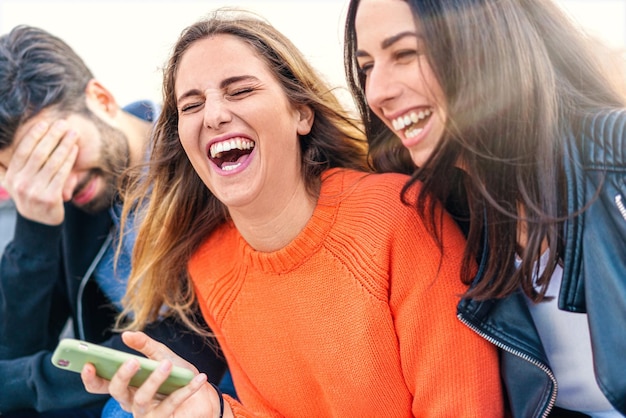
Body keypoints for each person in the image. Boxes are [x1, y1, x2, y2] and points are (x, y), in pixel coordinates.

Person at [80, 10, 504, 418]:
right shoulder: (209, 265)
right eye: (191, 106)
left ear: (301, 113)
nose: (213, 115)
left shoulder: (399, 216)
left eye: (240, 90)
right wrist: (214, 412)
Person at [343, 0, 626, 416]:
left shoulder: (617, 160)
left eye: (405, 53)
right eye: (367, 66)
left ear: (487, 43)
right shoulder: (446, 219)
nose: (377, 92)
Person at [0, 25, 227, 417]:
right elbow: (15, 349)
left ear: (101, 100)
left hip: (216, 379)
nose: (61, 182)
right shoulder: (57, 196)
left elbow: (200, 338)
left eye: (54, 151)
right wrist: (35, 228)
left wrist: (27, 387)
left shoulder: (199, 161)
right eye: (27, 171)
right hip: (118, 385)